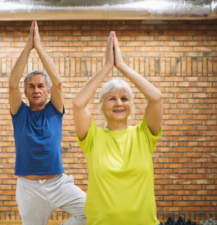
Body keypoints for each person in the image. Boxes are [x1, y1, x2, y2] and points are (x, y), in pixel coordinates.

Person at [73, 31, 163, 225]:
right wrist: (107, 67)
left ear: (131, 104)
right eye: (111, 98)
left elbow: (156, 98)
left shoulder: (144, 134)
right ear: (102, 105)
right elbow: (78, 103)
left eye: (124, 98)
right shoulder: (93, 138)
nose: (119, 103)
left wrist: (121, 66)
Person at [9, 20, 87, 225]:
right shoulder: (19, 113)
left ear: (48, 91)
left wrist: (39, 48)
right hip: (29, 189)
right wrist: (28, 47)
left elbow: (59, 82)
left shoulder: (54, 111)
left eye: (41, 86)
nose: (36, 90)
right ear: (25, 91)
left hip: (59, 184)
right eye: (31, 87)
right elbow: (11, 85)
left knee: (94, 213)